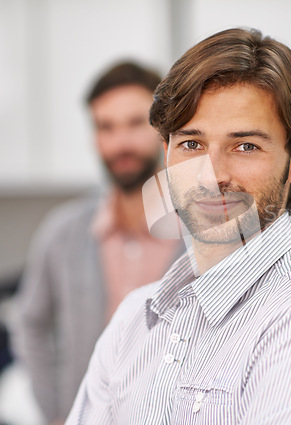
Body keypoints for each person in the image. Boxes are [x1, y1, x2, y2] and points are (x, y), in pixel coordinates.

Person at [66, 28, 291, 425]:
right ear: (165, 152)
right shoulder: (133, 320)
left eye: (245, 146)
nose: (211, 175)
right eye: (192, 144)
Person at [13, 62, 184, 425]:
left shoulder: (205, 235)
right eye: (105, 127)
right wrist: (58, 412)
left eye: (135, 123)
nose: (119, 142)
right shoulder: (63, 233)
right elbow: (29, 322)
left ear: (164, 131)